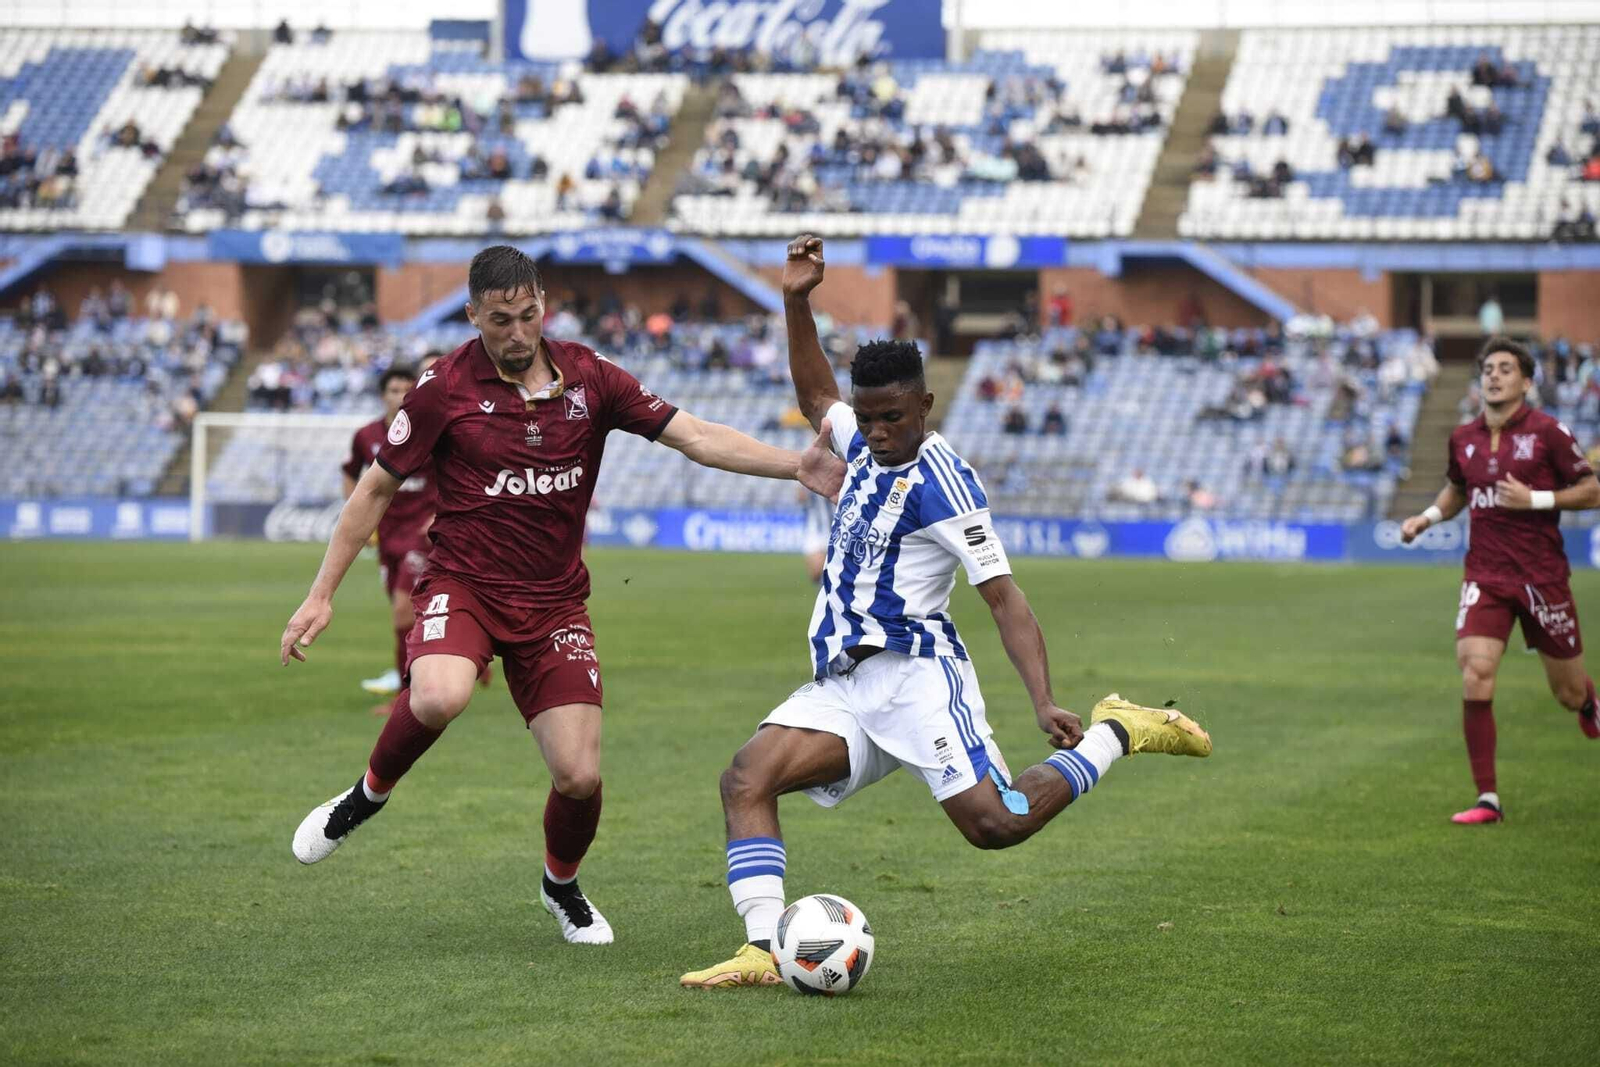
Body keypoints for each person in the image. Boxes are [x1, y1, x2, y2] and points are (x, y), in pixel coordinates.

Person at [678, 235, 1212, 988]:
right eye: (868, 418)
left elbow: (1005, 599)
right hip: (845, 685)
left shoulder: (947, 487)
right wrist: (796, 301)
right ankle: (764, 952)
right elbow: (813, 397)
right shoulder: (861, 438)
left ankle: (1117, 731)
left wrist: (1041, 698)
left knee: (997, 824)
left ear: (925, 404)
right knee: (745, 778)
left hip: (918, 678)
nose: (877, 431)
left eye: (893, 416)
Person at [279, 246, 846, 945]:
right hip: (465, 585)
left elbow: (693, 436)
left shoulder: (590, 377)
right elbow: (374, 488)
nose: (517, 334)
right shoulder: (441, 388)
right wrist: (320, 595)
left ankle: (561, 887)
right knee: (438, 695)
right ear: (472, 316)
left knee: (578, 776)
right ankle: (363, 799)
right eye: (499, 322)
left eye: (526, 316)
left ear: (542, 303)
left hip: (553, 606)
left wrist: (799, 463)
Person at [1400, 337, 1600, 825]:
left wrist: (1535, 499)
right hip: (1485, 575)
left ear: (1526, 382)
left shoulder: (1549, 432)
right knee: (1475, 670)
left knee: (1567, 695)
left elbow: (1592, 489)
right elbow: (1457, 489)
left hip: (1542, 577)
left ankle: (1589, 702)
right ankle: (1487, 799)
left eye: (1506, 368)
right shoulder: (1463, 437)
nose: (1494, 375)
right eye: (1488, 368)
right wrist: (1427, 517)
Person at [341, 365, 435, 708]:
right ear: (383, 394)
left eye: (405, 390)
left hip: (421, 535)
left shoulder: (429, 430)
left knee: (403, 613)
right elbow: (351, 474)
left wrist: (440, 514)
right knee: (412, 615)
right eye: (393, 390)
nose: (398, 396)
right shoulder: (366, 435)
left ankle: (406, 697)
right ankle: (469, 659)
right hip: (387, 536)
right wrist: (358, 518)